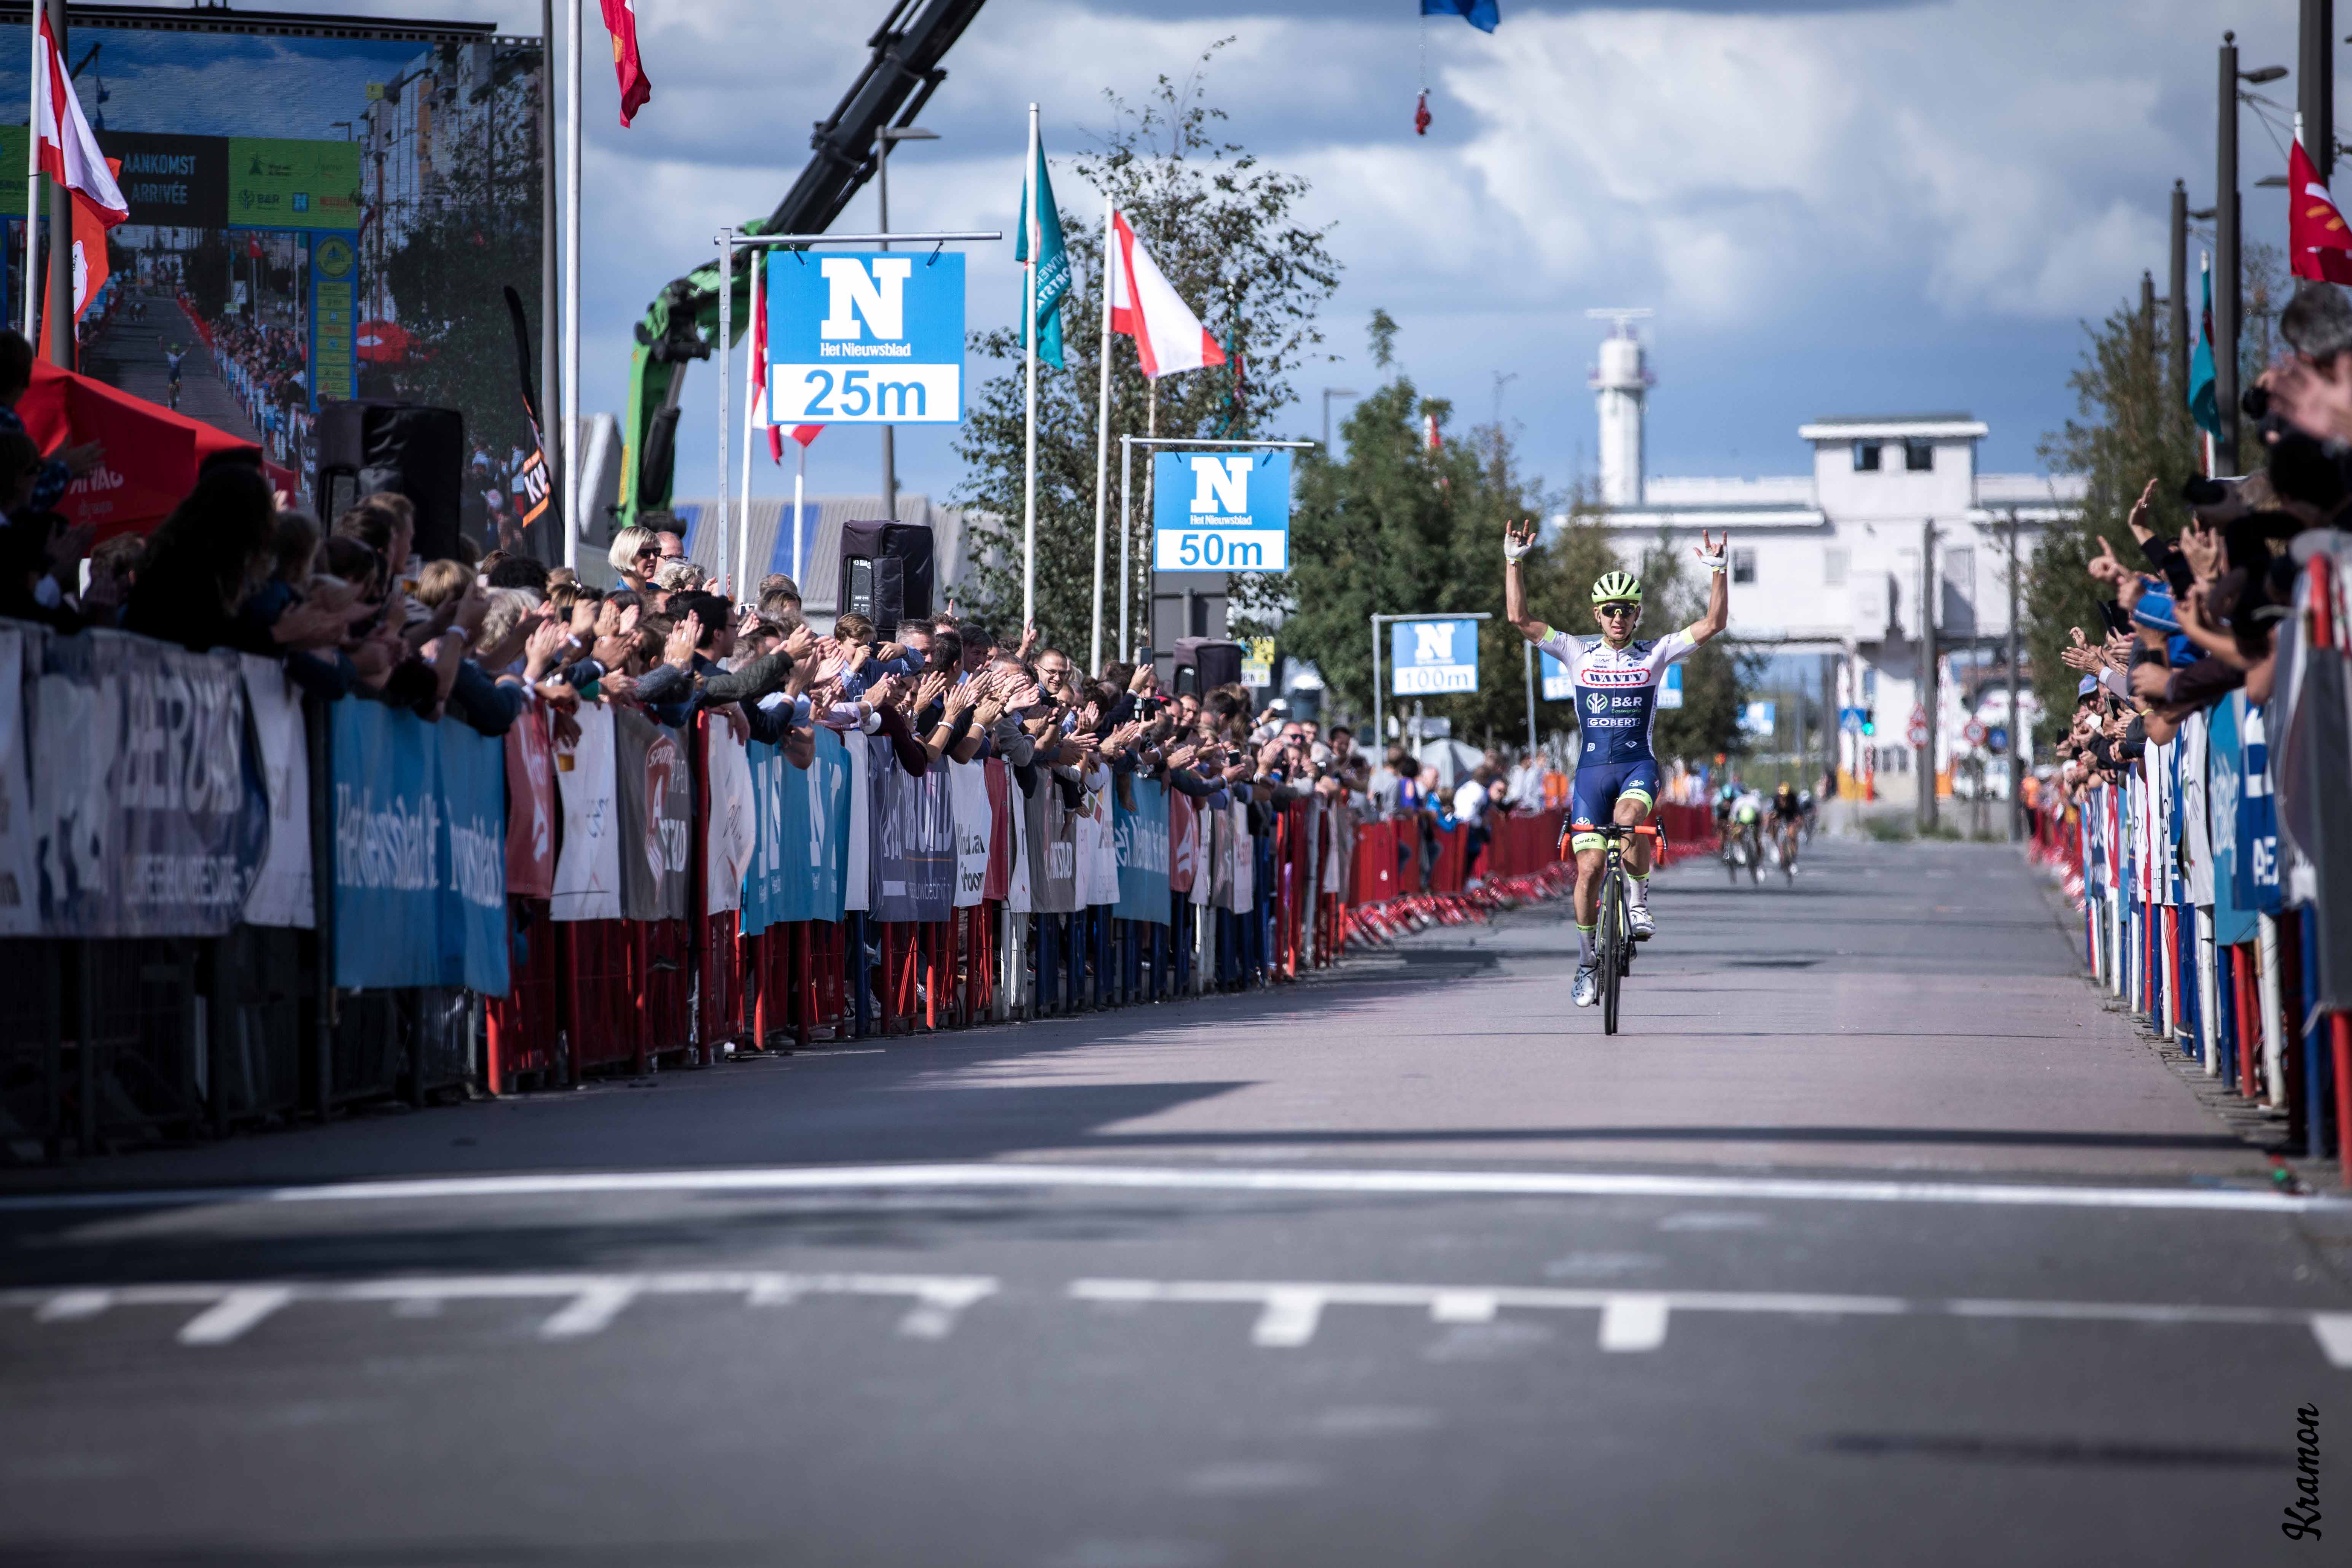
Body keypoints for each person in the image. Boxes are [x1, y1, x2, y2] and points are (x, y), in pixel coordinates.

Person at [1507, 520, 1729, 1009]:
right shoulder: (1575, 651)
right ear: (1597, 613)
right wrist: (1514, 562)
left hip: (1636, 767)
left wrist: (1718, 571)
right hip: (1590, 775)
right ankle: (1587, 960)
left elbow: (1713, 625)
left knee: (1630, 821)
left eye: (1627, 611)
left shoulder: (1654, 653)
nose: (1618, 618)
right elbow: (1520, 619)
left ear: (1636, 615)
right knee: (1586, 868)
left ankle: (1638, 902)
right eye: (1610, 610)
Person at [1769, 780, 1803, 875]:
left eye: (1786, 797)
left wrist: (1798, 822)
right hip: (1779, 815)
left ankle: (1793, 861)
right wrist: (1772, 821)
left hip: (1790, 816)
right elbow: (1770, 813)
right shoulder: (1776, 799)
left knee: (1792, 835)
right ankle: (1774, 845)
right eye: (1782, 797)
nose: (1784, 800)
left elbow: (1800, 814)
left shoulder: (1794, 798)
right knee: (1772, 824)